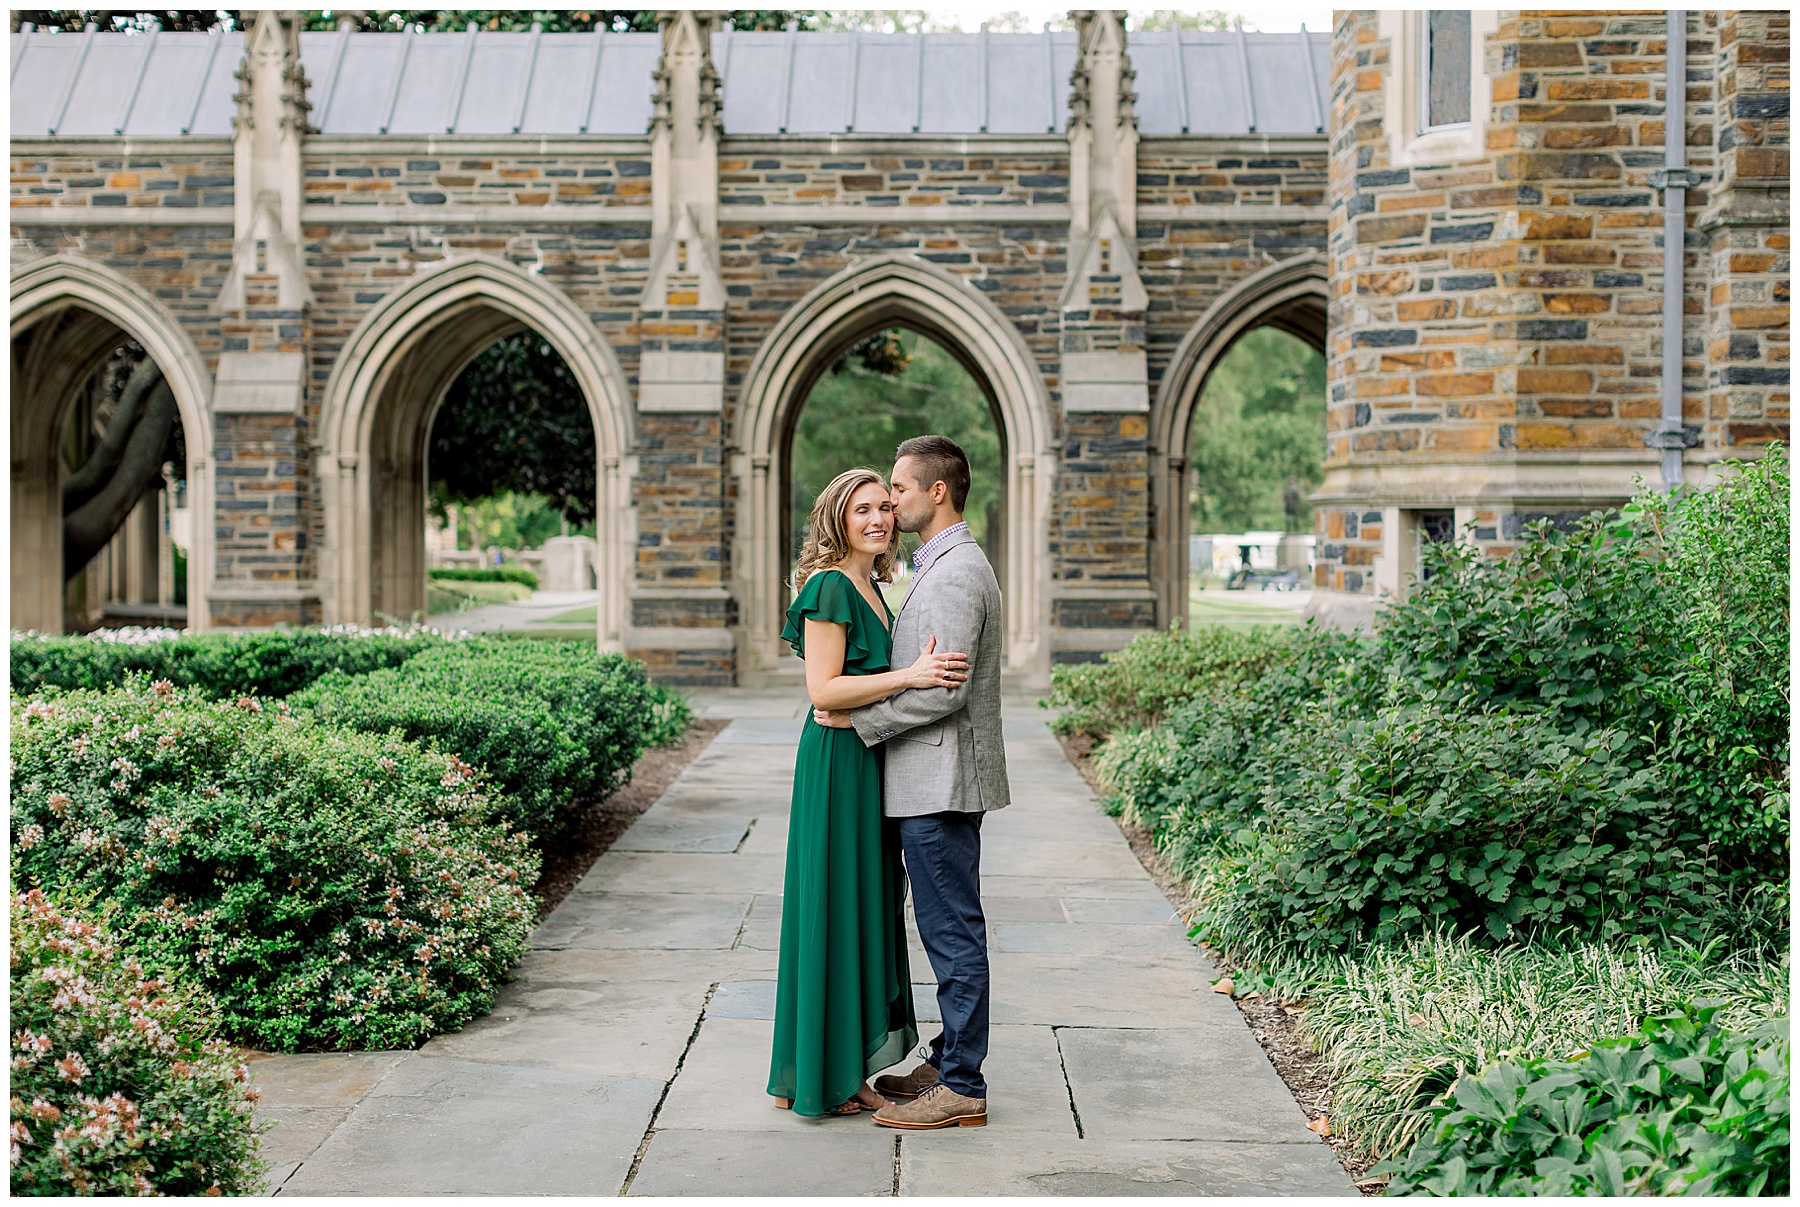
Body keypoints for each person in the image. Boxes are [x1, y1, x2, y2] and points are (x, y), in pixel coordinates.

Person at [814, 434, 1009, 1131]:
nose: (890, 504)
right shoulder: (938, 565)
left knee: (952, 933)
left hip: (940, 781)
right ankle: (947, 1057)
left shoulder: (954, 573)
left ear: (937, 491)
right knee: (944, 927)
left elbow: (944, 693)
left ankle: (961, 1086)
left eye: (897, 489)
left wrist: (856, 719)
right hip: (930, 778)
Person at [766, 467, 972, 1118]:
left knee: (864, 907)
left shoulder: (875, 587)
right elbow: (823, 690)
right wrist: (911, 675)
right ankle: (827, 1075)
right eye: (863, 510)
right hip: (837, 765)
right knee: (837, 905)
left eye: (885, 506)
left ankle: (831, 1064)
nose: (879, 519)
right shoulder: (829, 585)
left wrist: (900, 682)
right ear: (838, 518)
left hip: (869, 758)